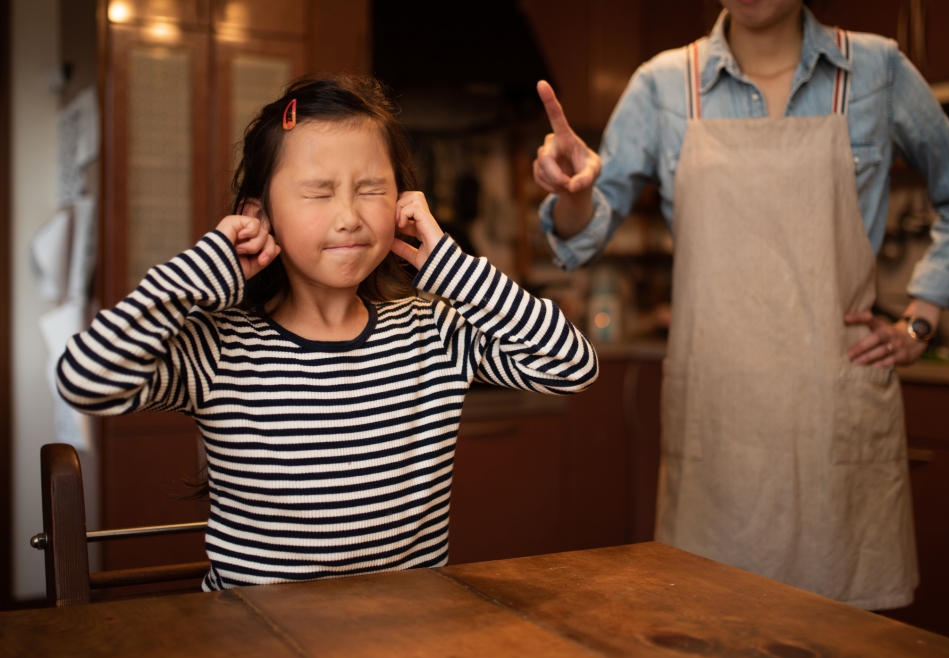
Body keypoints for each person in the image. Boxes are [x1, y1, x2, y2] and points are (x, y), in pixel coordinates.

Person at [533, 0, 949, 610]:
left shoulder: (877, 71)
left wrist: (920, 319)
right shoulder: (663, 85)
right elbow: (581, 237)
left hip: (833, 417)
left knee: (843, 637)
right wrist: (574, 193)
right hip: (719, 426)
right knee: (710, 623)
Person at [58, 73, 597, 590]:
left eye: (371, 189)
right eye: (318, 192)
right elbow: (87, 379)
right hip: (255, 635)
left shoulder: (433, 331)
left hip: (409, 631)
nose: (349, 217)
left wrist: (451, 267)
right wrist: (202, 271)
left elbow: (572, 366)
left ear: (403, 204)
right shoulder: (219, 347)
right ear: (259, 216)